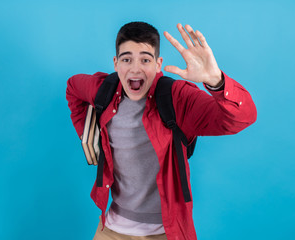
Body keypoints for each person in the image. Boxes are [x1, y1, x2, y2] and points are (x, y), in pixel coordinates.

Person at [66, 22, 257, 240]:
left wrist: (216, 81)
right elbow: (73, 87)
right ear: (116, 63)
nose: (136, 68)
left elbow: (242, 118)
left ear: (158, 65)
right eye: (127, 59)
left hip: (167, 232)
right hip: (111, 230)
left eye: (145, 60)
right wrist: (90, 138)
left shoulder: (177, 98)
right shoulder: (104, 90)